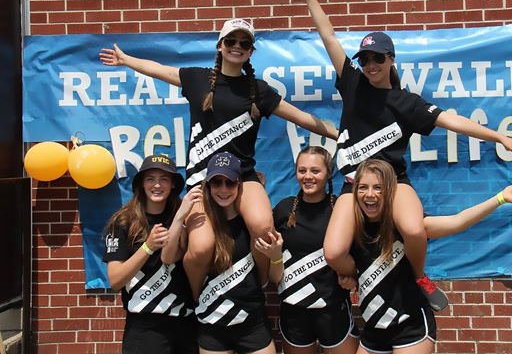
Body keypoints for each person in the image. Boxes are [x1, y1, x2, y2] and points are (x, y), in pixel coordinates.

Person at [293, 0, 512, 312]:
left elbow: (452, 122)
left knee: (412, 229)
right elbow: (328, 36)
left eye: (378, 57)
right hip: (354, 183)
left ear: (391, 59)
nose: (371, 64)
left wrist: (499, 137)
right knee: (333, 252)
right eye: (365, 59)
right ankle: (358, 279)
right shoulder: (352, 83)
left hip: (394, 182)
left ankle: (420, 276)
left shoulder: (406, 102)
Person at [99, 18, 338, 300]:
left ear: (250, 51)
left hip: (243, 178)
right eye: (231, 41)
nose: (237, 47)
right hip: (203, 180)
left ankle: (260, 284)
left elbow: (302, 118)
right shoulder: (198, 79)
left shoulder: (259, 91)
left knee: (263, 226)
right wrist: (126, 60)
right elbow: (161, 71)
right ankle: (198, 296)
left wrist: (341, 135)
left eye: (244, 43)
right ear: (220, 46)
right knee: (200, 247)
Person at [345, 159, 512, 354]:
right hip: (373, 329)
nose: (370, 194)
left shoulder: (406, 226)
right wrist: (346, 276)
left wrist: (500, 198)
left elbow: (458, 221)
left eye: (378, 188)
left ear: (390, 192)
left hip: (410, 326)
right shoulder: (349, 232)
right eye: (363, 187)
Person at [180, 151, 282, 354]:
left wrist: (276, 255)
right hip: (212, 325)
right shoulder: (199, 226)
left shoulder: (252, 225)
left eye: (230, 183)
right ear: (208, 185)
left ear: (240, 184)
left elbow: (274, 277)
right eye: (217, 182)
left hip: (252, 323)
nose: (223, 189)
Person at [102, 154, 198, 354]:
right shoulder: (123, 222)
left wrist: (180, 220)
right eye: (150, 179)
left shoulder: (183, 216)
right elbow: (115, 280)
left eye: (164, 179)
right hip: (146, 324)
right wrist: (148, 247)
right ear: (141, 184)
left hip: (186, 322)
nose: (157, 185)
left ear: (172, 184)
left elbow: (175, 256)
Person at [268, 146, 359, 354]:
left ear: (328, 173)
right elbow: (272, 263)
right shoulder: (283, 209)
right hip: (294, 313)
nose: (308, 176)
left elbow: (358, 255)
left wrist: (352, 275)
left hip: (333, 311)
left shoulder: (342, 210)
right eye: (302, 170)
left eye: (315, 171)